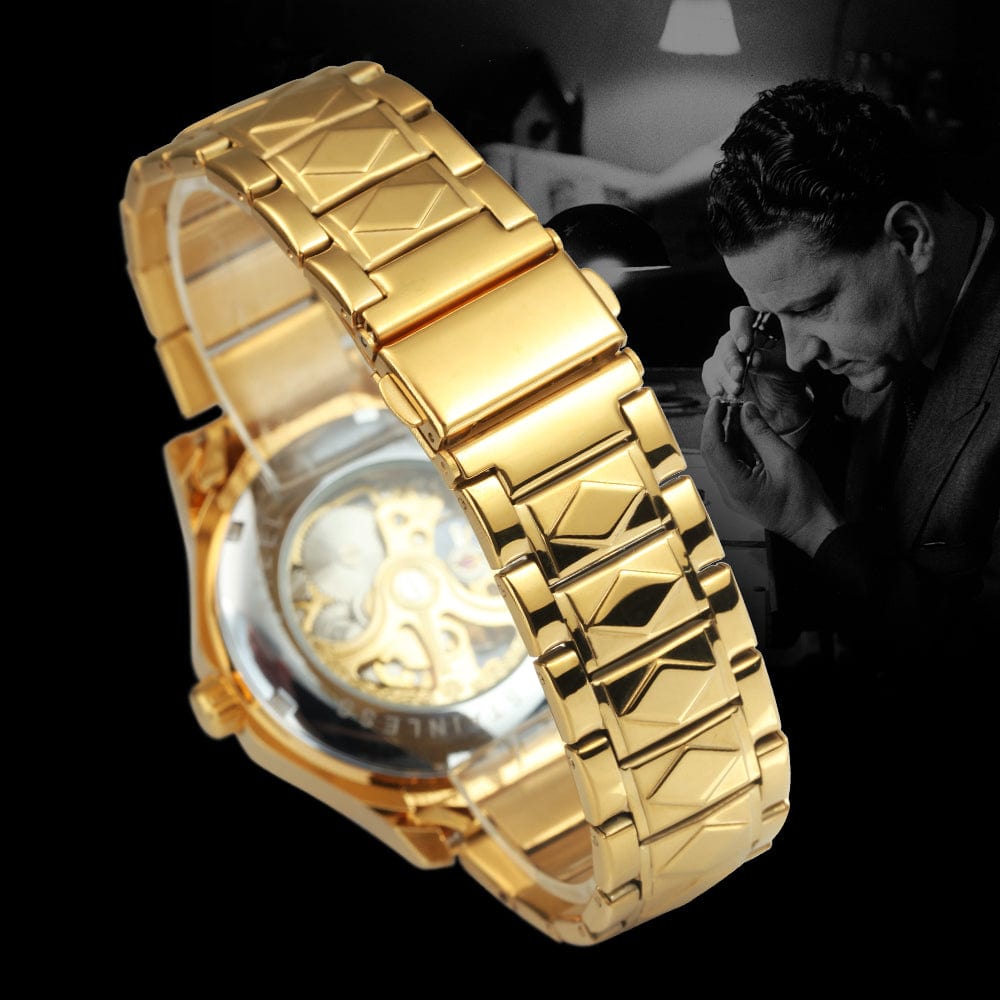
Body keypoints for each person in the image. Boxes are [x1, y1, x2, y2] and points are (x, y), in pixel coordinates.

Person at [699, 77, 998, 679]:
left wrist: (809, 524)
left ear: (910, 237)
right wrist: (793, 420)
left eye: (812, 307)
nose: (797, 355)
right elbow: (878, 526)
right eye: (773, 318)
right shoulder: (898, 326)